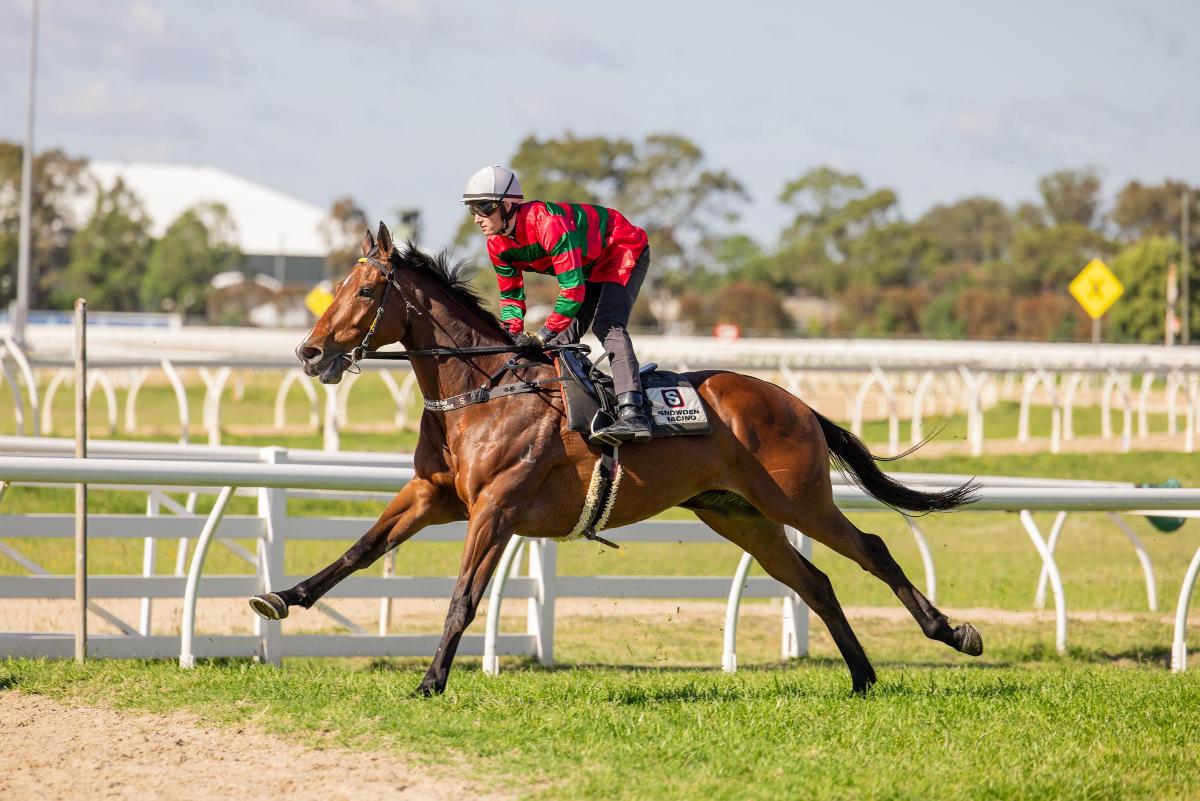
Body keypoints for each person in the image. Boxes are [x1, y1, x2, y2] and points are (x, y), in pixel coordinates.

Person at [462, 164, 652, 444]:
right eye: (473, 210)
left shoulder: (548, 223)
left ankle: (632, 411)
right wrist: (512, 333)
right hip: (588, 264)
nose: (479, 218)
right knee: (560, 341)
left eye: (485, 208)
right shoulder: (496, 245)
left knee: (606, 325)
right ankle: (588, 404)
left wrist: (541, 334)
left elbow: (573, 289)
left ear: (511, 205)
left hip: (620, 247)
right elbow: (511, 296)